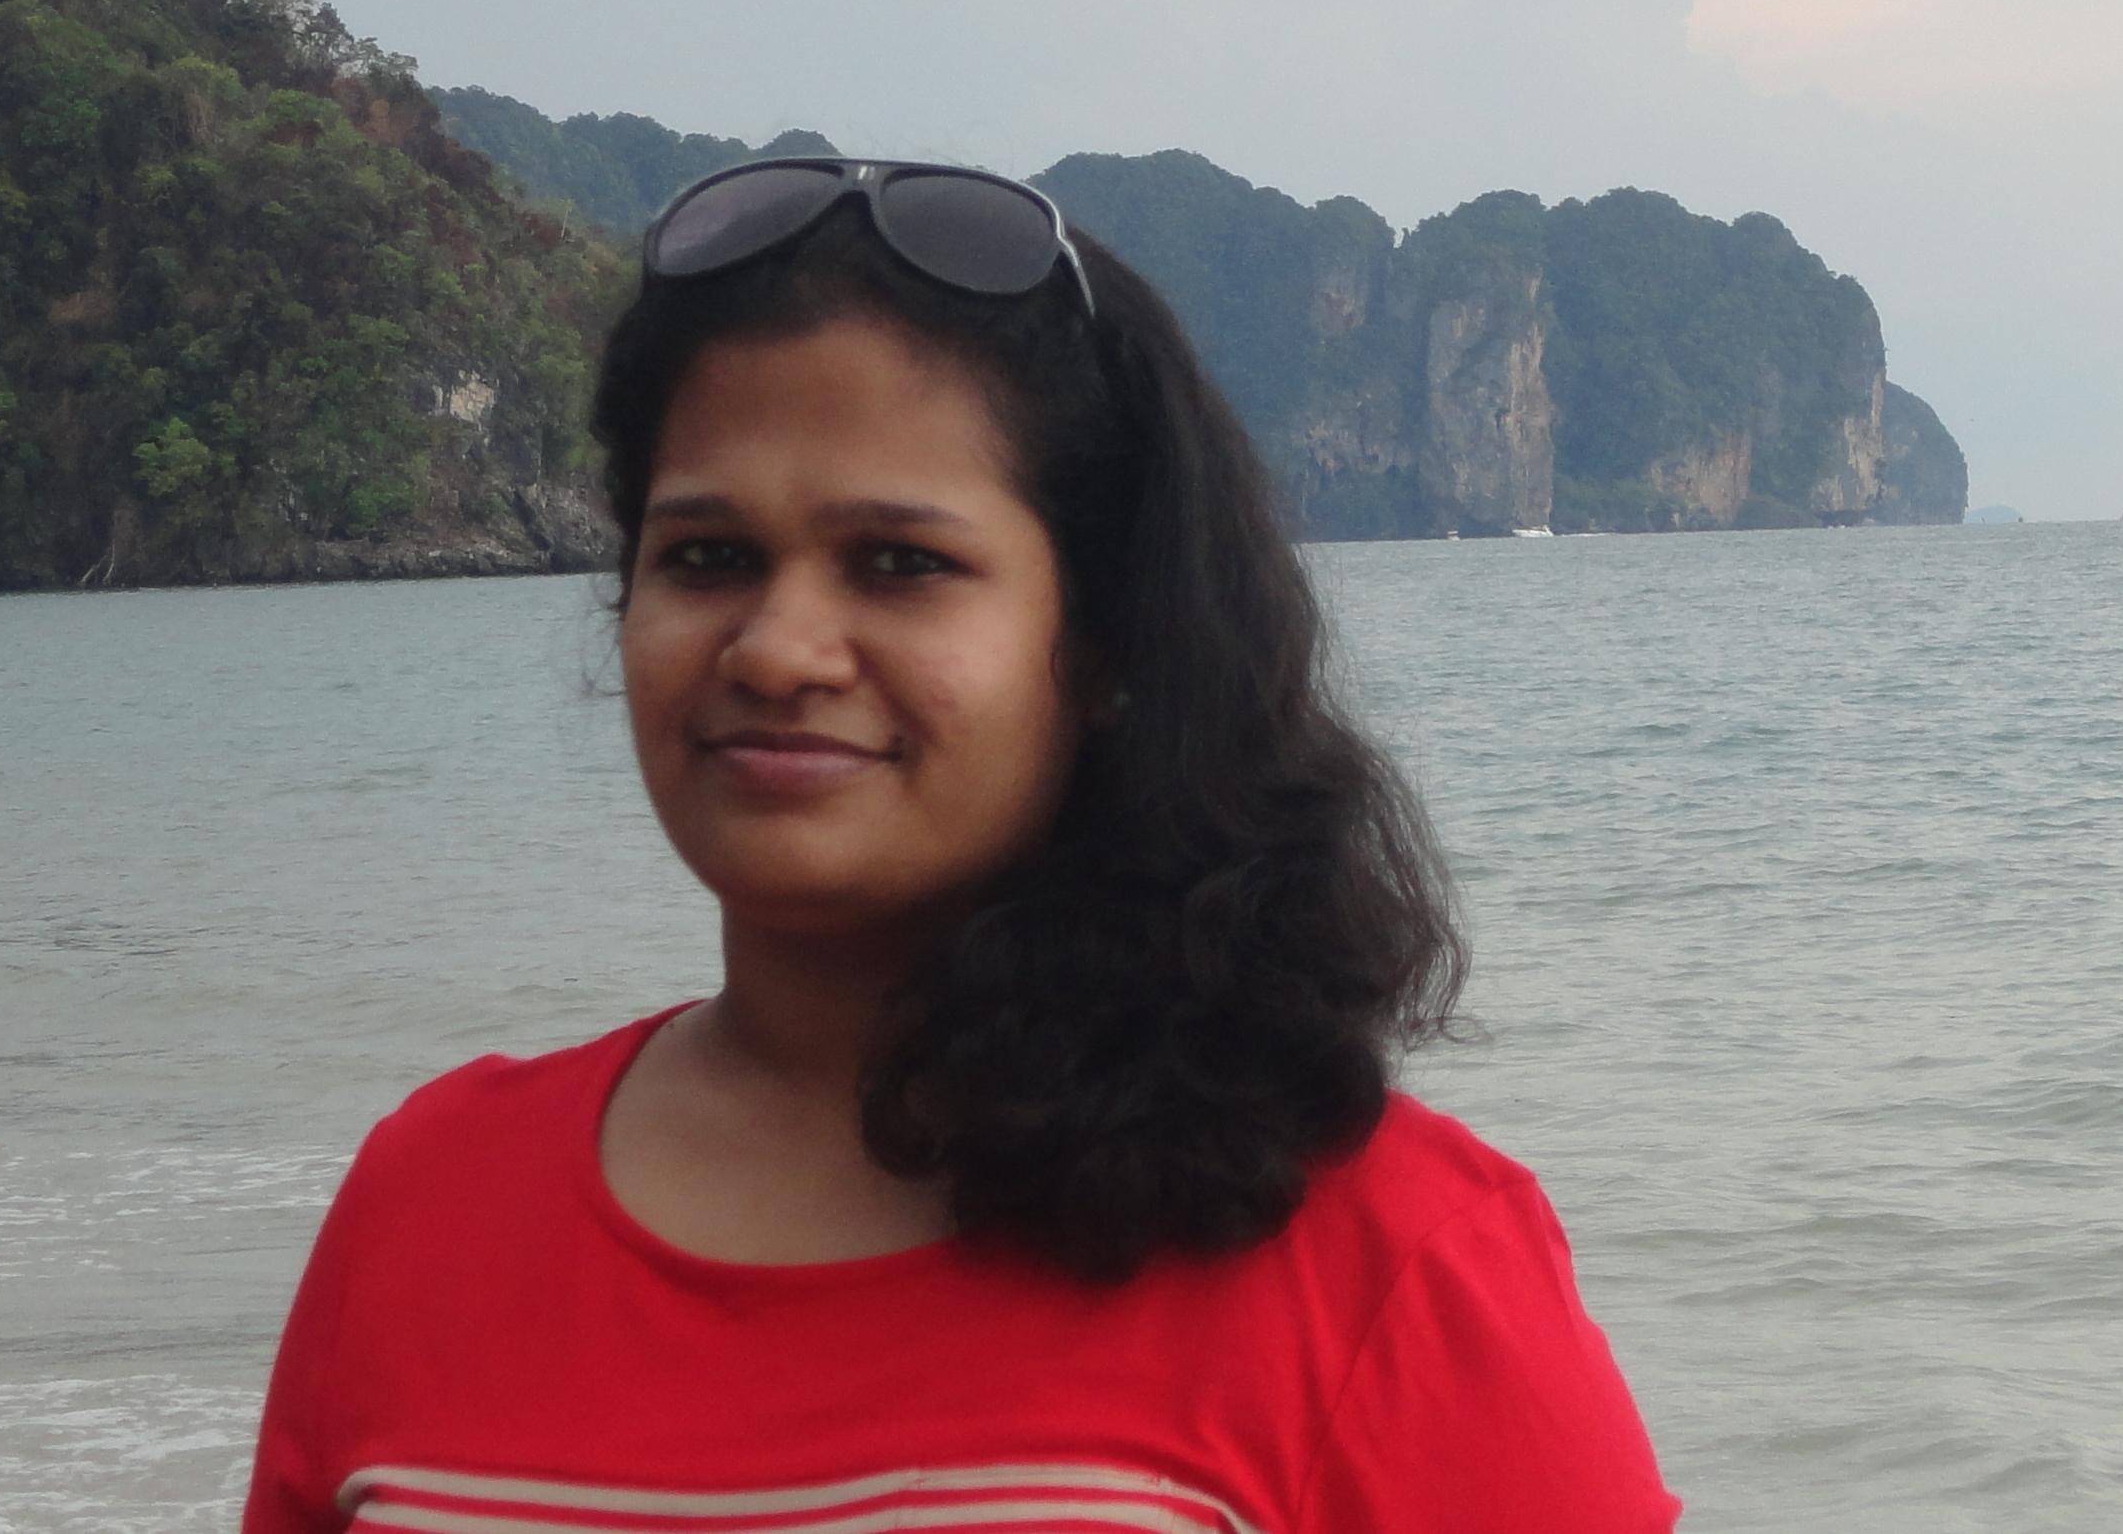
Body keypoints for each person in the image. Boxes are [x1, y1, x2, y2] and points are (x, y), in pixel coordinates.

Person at [241, 158, 1682, 1534]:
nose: (778, 648)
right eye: (708, 556)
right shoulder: (432, 1205)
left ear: (1104, 644)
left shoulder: (1383, 1261)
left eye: (901, 564)